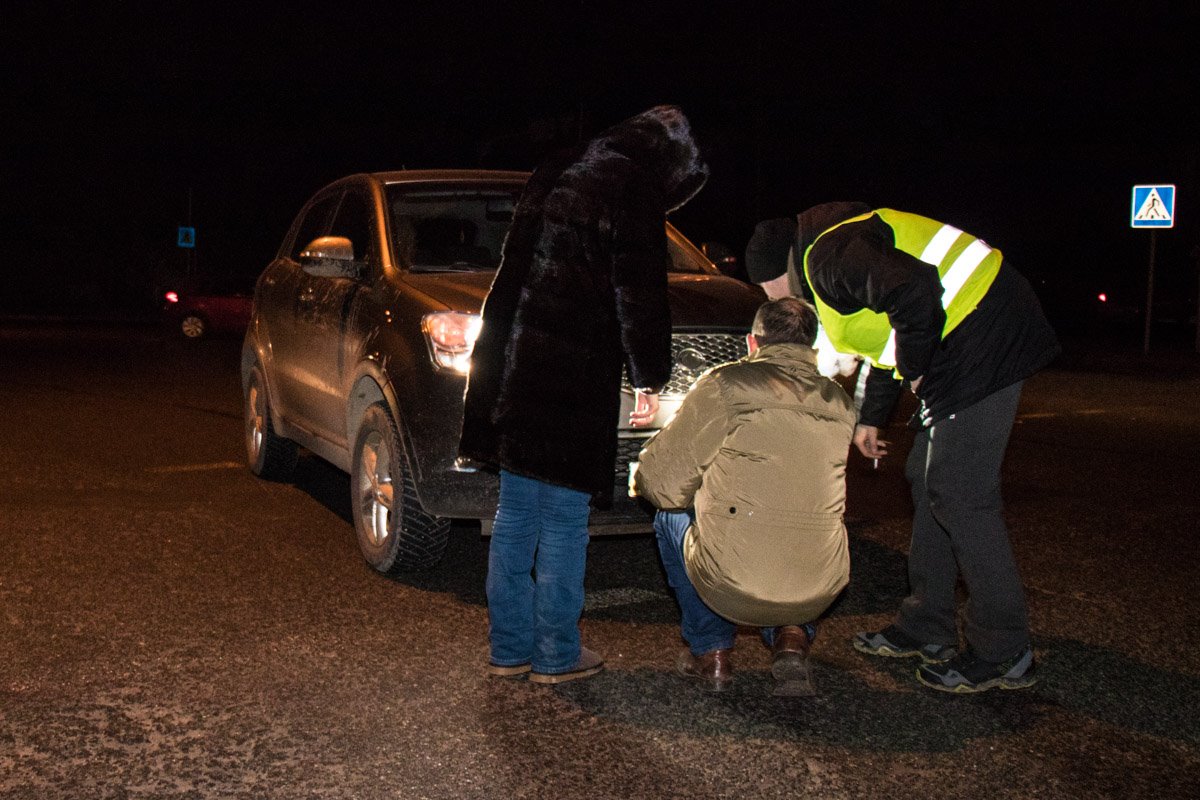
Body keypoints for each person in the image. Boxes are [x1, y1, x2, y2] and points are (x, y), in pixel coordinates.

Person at [744, 203, 1060, 693]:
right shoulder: (832, 257)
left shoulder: (828, 258)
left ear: (781, 272)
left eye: (769, 291)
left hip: (986, 330)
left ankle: (1003, 650)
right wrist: (871, 416)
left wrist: (917, 367)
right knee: (925, 477)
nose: (774, 302)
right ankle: (926, 627)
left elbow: (916, 294)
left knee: (960, 492)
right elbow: (888, 331)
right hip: (965, 336)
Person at [458, 106, 708, 685]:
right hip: (571, 373)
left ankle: (508, 649)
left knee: (516, 515)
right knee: (566, 520)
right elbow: (639, 291)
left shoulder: (557, 165)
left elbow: (512, 267)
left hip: (512, 368)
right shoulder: (632, 186)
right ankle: (555, 654)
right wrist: (649, 377)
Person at [631, 297, 856, 696]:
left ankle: (711, 651)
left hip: (734, 583)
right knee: (801, 508)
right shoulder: (839, 402)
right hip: (820, 587)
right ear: (814, 350)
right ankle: (792, 639)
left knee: (671, 517)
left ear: (753, 343)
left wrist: (649, 474)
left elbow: (663, 485)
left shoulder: (727, 384)